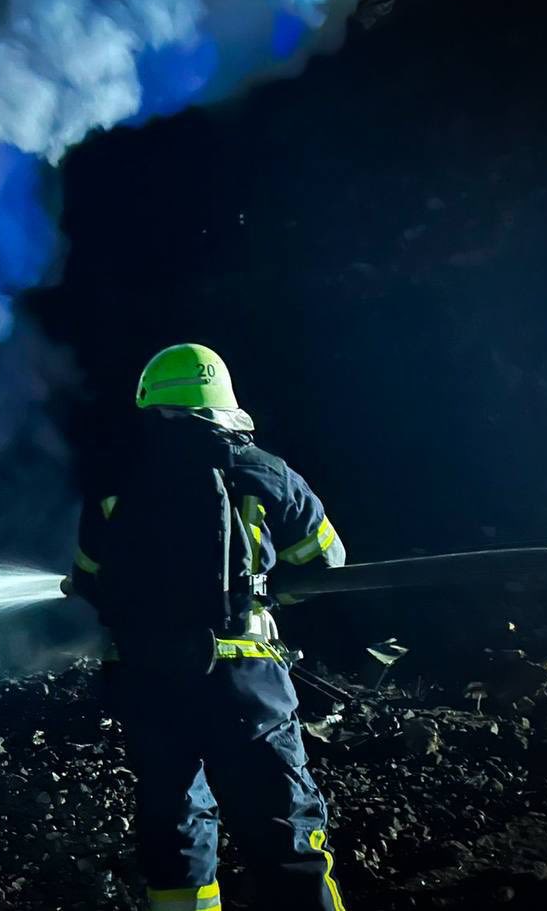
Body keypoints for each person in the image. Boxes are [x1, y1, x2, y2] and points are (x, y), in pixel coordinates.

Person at [63, 343, 348, 911]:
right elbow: (328, 563)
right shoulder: (268, 474)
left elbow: (88, 579)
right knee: (284, 825)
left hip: (150, 681)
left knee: (175, 823)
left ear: (151, 404)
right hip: (247, 681)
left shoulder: (117, 484)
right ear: (222, 402)